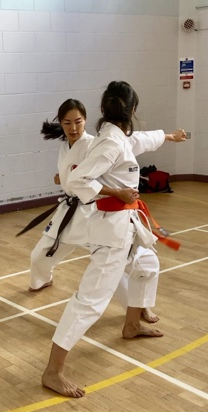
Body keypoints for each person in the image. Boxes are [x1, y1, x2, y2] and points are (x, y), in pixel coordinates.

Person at [41, 81, 186, 398]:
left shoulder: (117, 137)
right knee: (90, 302)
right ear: (132, 110)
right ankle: (53, 371)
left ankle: (132, 325)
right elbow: (80, 179)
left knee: (147, 265)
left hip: (127, 225)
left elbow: (142, 141)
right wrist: (116, 191)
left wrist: (170, 136)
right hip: (111, 230)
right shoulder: (110, 143)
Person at [29, 98, 171, 322]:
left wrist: (167, 136)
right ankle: (42, 279)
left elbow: (134, 140)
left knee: (117, 265)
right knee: (39, 255)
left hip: (93, 212)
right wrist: (63, 178)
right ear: (61, 123)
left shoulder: (96, 143)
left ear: (86, 120)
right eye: (67, 123)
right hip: (69, 211)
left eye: (78, 122)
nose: (73, 128)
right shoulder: (65, 145)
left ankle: (139, 308)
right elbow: (75, 174)